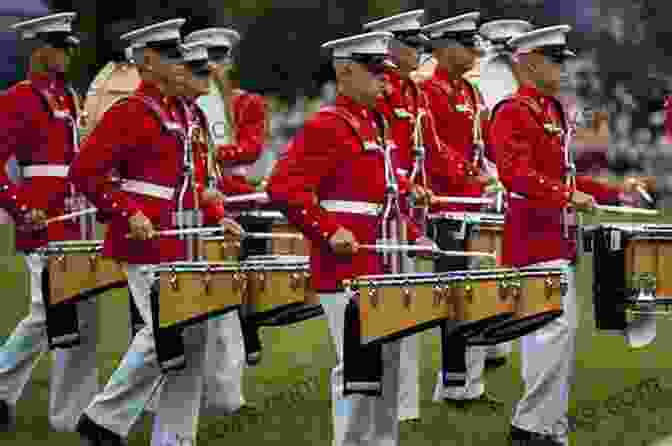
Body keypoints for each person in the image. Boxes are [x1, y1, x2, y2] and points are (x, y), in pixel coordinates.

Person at [69, 19, 238, 446]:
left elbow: (194, 182)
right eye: (168, 55)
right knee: (166, 328)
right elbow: (86, 172)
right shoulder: (131, 111)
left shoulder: (184, 113)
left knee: (191, 338)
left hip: (184, 240)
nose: (179, 61)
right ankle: (103, 420)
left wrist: (218, 216)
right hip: (144, 241)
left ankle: (175, 438)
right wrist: (127, 213)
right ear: (146, 62)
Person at [489, 25, 652, 445]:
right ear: (527, 62)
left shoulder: (551, 110)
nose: (563, 67)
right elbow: (514, 175)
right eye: (554, 59)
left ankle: (545, 426)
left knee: (556, 340)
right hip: (532, 240)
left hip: (557, 239)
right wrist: (566, 194)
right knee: (549, 336)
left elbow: (567, 176)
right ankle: (533, 428)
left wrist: (616, 190)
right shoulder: (511, 111)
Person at [267, 30, 431, 446]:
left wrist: (415, 236)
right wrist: (328, 229)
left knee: (389, 364)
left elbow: (386, 198)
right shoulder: (328, 124)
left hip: (384, 261)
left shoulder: (375, 125)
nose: (385, 80)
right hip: (346, 267)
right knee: (359, 367)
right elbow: (284, 186)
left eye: (386, 71)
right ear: (344, 72)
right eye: (375, 71)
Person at [362, 8, 487, 422]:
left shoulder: (412, 92)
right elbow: (382, 150)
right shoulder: (385, 92)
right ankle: (390, 400)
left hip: (416, 206)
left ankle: (405, 403)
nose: (420, 52)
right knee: (397, 304)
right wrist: (404, 183)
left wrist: (478, 178)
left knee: (419, 301)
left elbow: (432, 148)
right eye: (412, 45)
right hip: (393, 208)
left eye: (420, 43)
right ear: (389, 47)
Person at [0, 12, 101, 433]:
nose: (65, 55)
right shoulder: (18, 99)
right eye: (57, 47)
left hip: (75, 217)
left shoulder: (69, 97)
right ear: (37, 50)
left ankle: (70, 412)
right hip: (41, 219)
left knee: (77, 317)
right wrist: (22, 208)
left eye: (68, 47)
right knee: (48, 311)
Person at [420, 11, 502, 409]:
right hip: (445, 206)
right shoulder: (428, 92)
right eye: (466, 45)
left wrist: (499, 173)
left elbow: (486, 142)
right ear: (445, 49)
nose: (474, 52)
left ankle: (472, 383)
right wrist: (475, 177)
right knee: (454, 292)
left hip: (475, 201)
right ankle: (452, 382)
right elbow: (434, 153)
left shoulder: (471, 93)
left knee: (479, 292)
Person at [184, 27, 269, 367]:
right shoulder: (187, 102)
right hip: (199, 193)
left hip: (235, 191)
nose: (214, 66)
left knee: (248, 269)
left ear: (229, 61)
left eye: (219, 58)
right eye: (207, 59)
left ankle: (249, 327)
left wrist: (213, 154)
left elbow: (252, 149)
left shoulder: (246, 101)